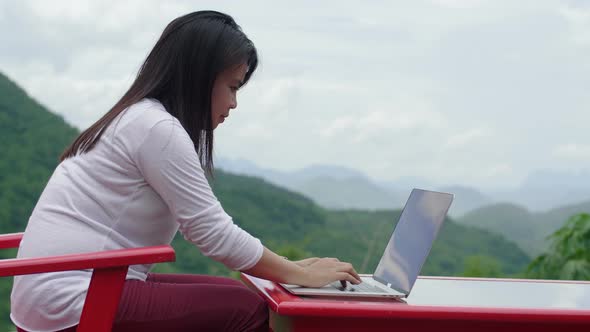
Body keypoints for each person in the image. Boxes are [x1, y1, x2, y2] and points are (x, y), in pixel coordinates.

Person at [10, 10, 361, 332]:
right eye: (232, 86)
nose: (234, 103)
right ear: (199, 78)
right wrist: (298, 273)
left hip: (69, 288)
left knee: (233, 293)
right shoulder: (155, 128)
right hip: (71, 300)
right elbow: (212, 232)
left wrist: (288, 268)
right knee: (246, 309)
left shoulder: (138, 118)